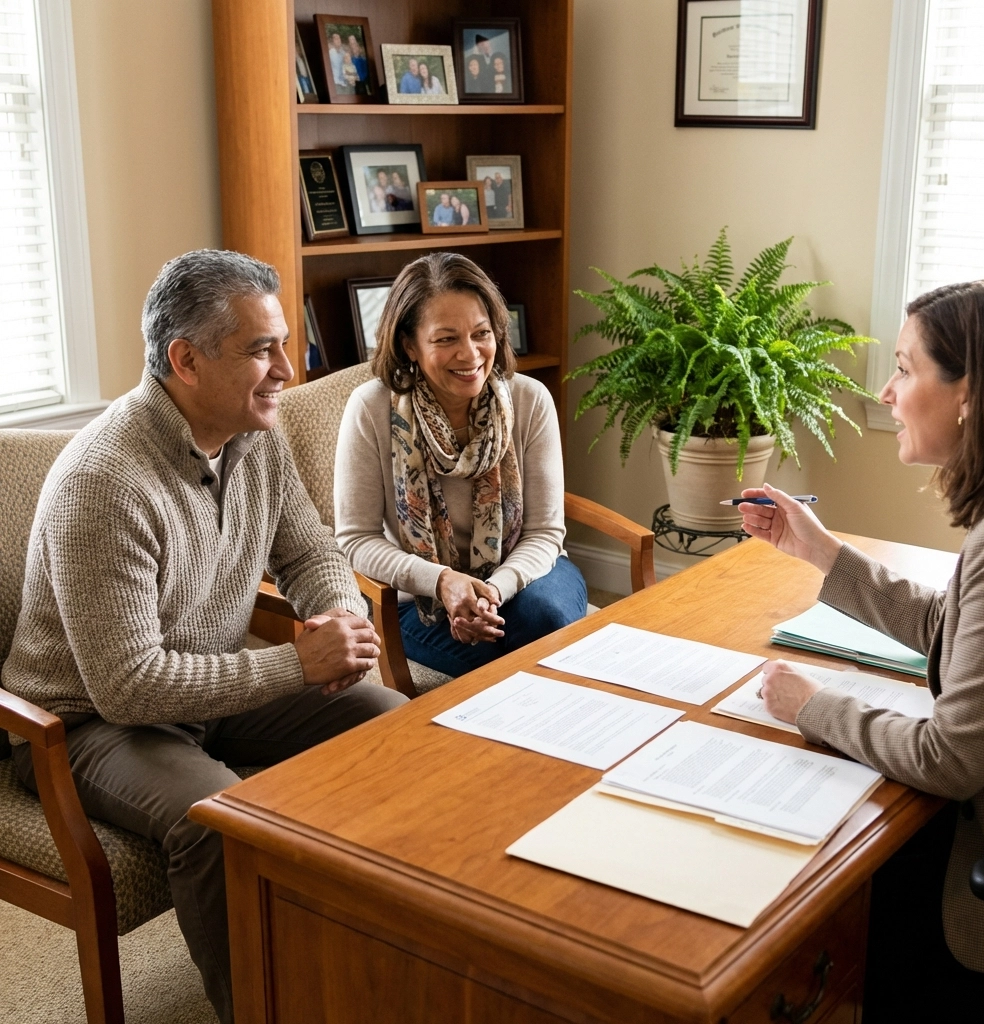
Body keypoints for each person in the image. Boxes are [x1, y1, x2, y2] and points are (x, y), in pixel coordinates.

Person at [1, 250, 408, 1024]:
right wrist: (295, 664)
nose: (289, 368)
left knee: (392, 725)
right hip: (87, 726)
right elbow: (129, 686)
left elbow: (310, 548)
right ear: (185, 360)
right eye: (262, 349)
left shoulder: (254, 430)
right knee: (220, 824)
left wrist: (340, 622)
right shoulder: (106, 482)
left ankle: (368, 953)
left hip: (209, 681)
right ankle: (261, 1008)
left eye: (284, 343)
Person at [737, 280, 984, 1022]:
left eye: (905, 367)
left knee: (821, 897)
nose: (888, 392)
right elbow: (955, 632)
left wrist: (814, 706)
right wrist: (822, 552)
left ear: (970, 392)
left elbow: (951, 758)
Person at [334, 252, 588, 679]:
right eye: (446, 339)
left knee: (542, 625)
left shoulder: (530, 400)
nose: (470, 354)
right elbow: (356, 539)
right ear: (409, 345)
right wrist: (443, 582)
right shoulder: (370, 408)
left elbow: (545, 532)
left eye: (481, 333)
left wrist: (491, 591)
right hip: (421, 596)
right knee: (515, 664)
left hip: (525, 575)